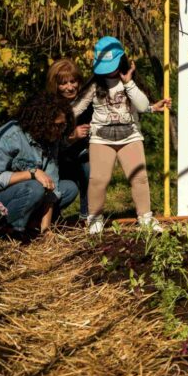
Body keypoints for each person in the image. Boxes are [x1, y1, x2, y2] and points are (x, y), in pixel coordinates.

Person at [72, 36, 170, 234]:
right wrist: (57, 117)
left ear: (122, 61)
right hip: (101, 138)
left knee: (139, 178)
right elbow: (76, 108)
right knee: (98, 180)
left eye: (112, 65)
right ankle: (94, 219)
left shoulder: (129, 83)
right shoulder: (94, 85)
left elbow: (141, 106)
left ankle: (145, 218)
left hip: (130, 137)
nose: (108, 70)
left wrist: (129, 83)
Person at [0, 94, 78, 235]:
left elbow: (52, 185)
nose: (61, 130)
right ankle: (13, 231)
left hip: (24, 192)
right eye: (57, 126)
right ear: (41, 122)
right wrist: (32, 173)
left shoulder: (52, 138)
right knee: (34, 187)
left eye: (63, 125)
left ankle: (34, 224)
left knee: (69, 188)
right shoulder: (10, 136)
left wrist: (46, 230)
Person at [47, 58, 92, 219]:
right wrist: (72, 136)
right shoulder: (50, 107)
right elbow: (50, 143)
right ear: (56, 85)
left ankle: (87, 214)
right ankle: (52, 214)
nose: (70, 87)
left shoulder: (88, 103)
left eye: (73, 81)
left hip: (84, 153)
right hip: (58, 157)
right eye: (64, 83)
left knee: (89, 167)